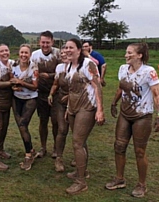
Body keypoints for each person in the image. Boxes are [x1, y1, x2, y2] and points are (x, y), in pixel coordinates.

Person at [105, 43, 159, 198]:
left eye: (130, 53)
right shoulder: (123, 69)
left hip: (142, 116)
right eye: (126, 52)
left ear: (140, 55)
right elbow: (121, 87)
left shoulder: (149, 72)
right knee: (119, 145)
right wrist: (113, 102)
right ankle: (119, 179)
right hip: (125, 113)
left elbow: (156, 94)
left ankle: (142, 184)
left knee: (139, 151)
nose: (126, 55)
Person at [64, 38, 105, 194]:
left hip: (87, 107)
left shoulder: (88, 64)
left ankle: (81, 182)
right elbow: (71, 90)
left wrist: (100, 110)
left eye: (71, 48)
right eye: (66, 47)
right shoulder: (69, 66)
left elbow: (97, 86)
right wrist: (68, 108)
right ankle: (83, 171)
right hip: (74, 107)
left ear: (79, 50)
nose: (68, 50)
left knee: (77, 142)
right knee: (80, 141)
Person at [31, 30, 61, 158]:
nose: (45, 45)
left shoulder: (58, 54)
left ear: (52, 42)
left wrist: (49, 76)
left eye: (47, 42)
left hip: (56, 93)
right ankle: (43, 148)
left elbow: (63, 72)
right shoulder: (34, 55)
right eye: (43, 42)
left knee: (55, 122)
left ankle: (56, 148)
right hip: (41, 93)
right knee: (42, 121)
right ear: (39, 42)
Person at [11, 44, 38, 171]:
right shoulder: (14, 65)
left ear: (30, 54)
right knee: (22, 127)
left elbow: (35, 86)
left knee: (22, 124)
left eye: (26, 53)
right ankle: (31, 150)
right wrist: (14, 86)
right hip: (16, 98)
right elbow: (11, 80)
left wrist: (22, 83)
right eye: (22, 52)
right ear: (18, 54)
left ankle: (28, 155)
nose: (23, 55)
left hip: (30, 98)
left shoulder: (34, 67)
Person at [47, 46, 69, 172]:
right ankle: (59, 159)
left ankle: (79, 158)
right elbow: (56, 83)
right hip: (61, 102)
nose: (64, 55)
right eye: (62, 53)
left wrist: (71, 96)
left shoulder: (80, 67)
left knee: (77, 132)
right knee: (62, 129)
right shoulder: (59, 68)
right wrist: (51, 94)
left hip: (77, 103)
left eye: (66, 53)